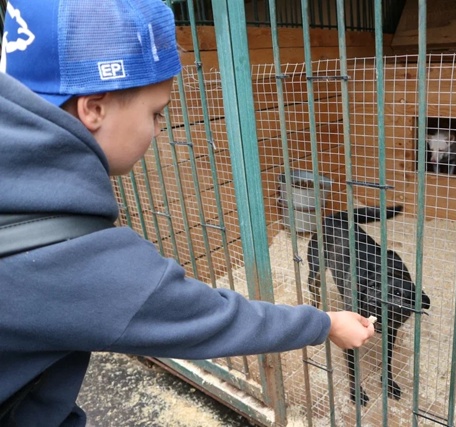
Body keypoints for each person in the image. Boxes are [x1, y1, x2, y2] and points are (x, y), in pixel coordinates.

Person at [0, 0, 375, 425]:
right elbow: (213, 319)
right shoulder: (70, 255)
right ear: (94, 109)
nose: (159, 129)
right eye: (156, 113)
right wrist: (326, 323)